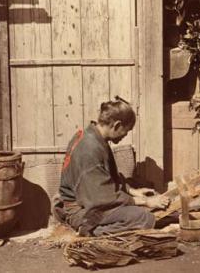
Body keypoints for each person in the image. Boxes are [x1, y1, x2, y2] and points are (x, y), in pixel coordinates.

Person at [53, 98, 170, 236]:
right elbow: (102, 199)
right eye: (126, 131)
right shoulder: (88, 150)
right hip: (81, 211)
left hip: (92, 198)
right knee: (142, 217)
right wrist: (146, 202)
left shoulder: (93, 136)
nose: (125, 135)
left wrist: (132, 191)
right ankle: (90, 231)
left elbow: (105, 177)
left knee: (136, 192)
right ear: (117, 125)